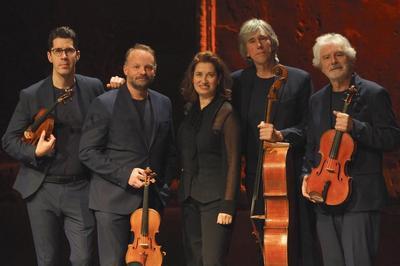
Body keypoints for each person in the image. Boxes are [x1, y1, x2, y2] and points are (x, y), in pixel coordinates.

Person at [2, 26, 104, 265]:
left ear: (77, 54)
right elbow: (9, 139)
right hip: (42, 188)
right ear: (50, 56)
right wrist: (34, 152)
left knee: (84, 258)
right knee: (47, 260)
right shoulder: (32, 94)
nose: (64, 56)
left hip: (81, 187)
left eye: (69, 50)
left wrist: (119, 89)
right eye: (58, 51)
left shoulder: (93, 88)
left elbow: (109, 120)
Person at [301, 33, 400, 266]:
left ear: (351, 58)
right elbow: (312, 146)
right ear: (319, 65)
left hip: (361, 199)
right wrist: (305, 175)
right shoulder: (317, 100)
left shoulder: (374, 94)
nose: (333, 61)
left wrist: (356, 127)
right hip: (324, 197)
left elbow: (393, 138)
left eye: (339, 55)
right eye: (326, 57)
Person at [78, 43, 176, 266]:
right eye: (137, 66)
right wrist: (125, 175)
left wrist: (164, 187)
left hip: (150, 205)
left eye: (148, 67)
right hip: (112, 202)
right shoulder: (104, 104)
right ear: (125, 69)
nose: (143, 71)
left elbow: (170, 151)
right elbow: (87, 152)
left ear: (155, 70)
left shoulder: (163, 103)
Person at [231, 18, 316, 265]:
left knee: (298, 236)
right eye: (252, 41)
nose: (258, 45)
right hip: (256, 173)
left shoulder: (299, 79)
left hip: (289, 169)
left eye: (263, 38)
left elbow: (309, 127)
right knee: (262, 236)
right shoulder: (238, 82)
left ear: (273, 43)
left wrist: (282, 135)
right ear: (245, 50)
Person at [177, 51, 241, 266]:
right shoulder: (190, 111)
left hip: (215, 201)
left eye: (210, 75)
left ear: (219, 79)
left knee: (212, 262)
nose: (203, 80)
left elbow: (233, 162)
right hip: (189, 199)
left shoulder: (226, 112)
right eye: (198, 74)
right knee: (194, 261)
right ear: (191, 78)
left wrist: (228, 205)